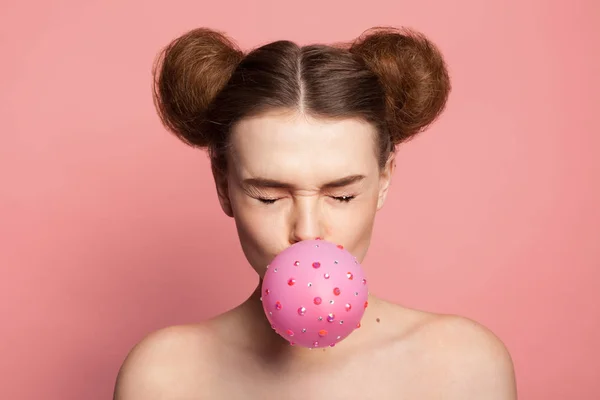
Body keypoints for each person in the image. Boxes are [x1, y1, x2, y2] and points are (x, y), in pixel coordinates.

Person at [113, 26, 517, 399]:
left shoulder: (463, 368)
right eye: (269, 197)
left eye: (341, 196)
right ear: (223, 185)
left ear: (385, 179)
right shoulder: (163, 376)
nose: (307, 231)